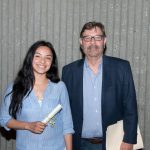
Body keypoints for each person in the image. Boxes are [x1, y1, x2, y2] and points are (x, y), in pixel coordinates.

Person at [62, 21, 138, 150]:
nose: (92, 42)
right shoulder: (69, 71)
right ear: (81, 42)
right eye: (87, 38)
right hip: (79, 144)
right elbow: (65, 111)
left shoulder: (122, 67)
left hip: (113, 143)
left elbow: (130, 107)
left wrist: (129, 140)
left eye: (97, 37)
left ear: (104, 41)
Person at [0, 40, 74, 150]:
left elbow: (67, 124)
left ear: (52, 61)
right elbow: (4, 119)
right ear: (30, 58)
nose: (43, 61)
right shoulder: (15, 87)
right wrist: (28, 126)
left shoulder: (59, 87)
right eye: (38, 56)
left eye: (48, 57)